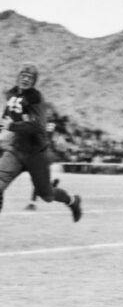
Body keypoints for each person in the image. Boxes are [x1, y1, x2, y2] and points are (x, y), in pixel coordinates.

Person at [0, 63, 82, 221]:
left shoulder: (35, 98)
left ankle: (73, 202)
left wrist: (13, 126)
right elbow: (5, 118)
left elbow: (38, 126)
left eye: (29, 77)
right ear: (18, 76)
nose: (25, 79)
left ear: (34, 81)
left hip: (36, 155)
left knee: (47, 195)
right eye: (23, 75)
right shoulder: (11, 94)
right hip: (16, 150)